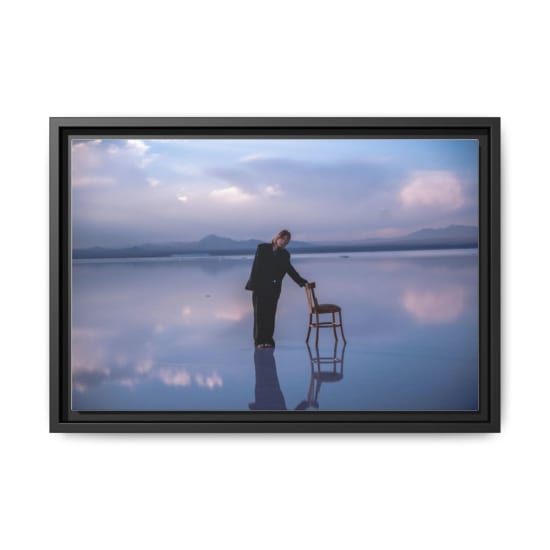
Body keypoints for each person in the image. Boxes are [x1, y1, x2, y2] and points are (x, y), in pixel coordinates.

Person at [245, 229, 308, 349]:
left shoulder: (285, 254)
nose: (285, 242)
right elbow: (256, 267)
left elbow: (290, 269)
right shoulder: (262, 248)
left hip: (274, 289)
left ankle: (268, 340)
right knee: (259, 315)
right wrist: (253, 285)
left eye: (287, 241)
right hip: (259, 288)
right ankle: (259, 341)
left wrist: (301, 281)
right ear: (277, 237)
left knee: (270, 315)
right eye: (283, 239)